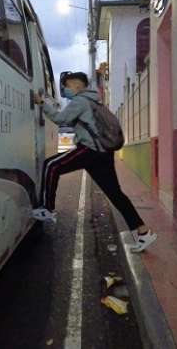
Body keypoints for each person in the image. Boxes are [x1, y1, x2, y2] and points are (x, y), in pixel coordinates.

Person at [32, 71, 157, 253]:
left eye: (66, 86)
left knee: (51, 165)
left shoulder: (80, 101)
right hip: (103, 153)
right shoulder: (95, 101)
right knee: (115, 194)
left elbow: (61, 119)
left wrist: (42, 103)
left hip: (89, 150)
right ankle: (143, 232)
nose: (65, 90)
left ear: (76, 86)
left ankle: (47, 209)